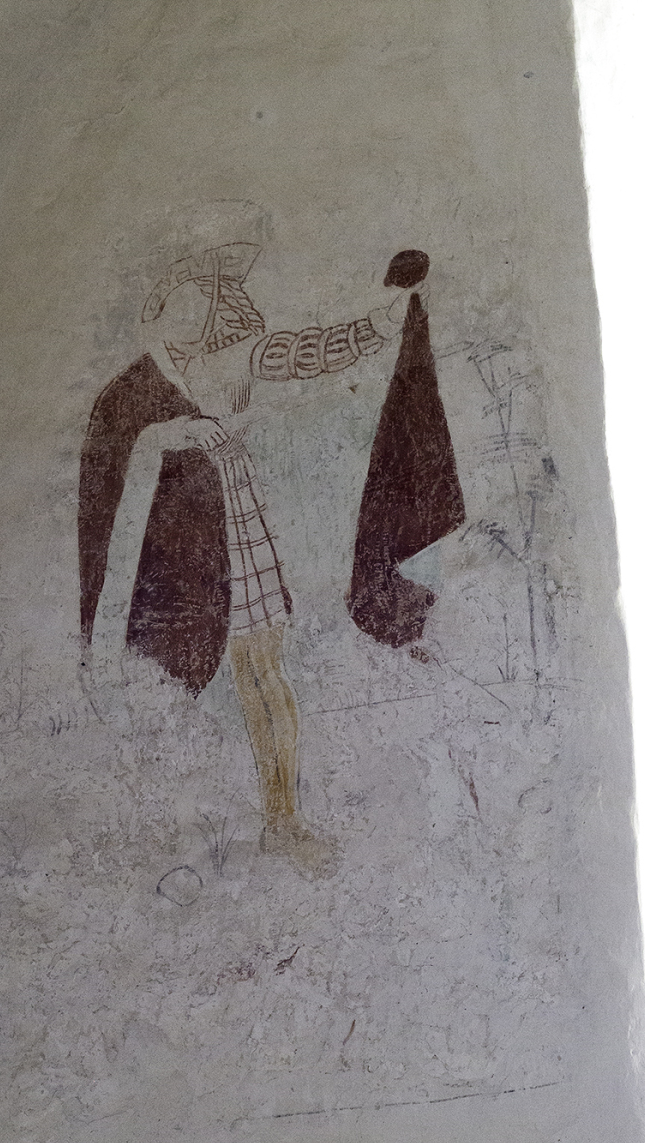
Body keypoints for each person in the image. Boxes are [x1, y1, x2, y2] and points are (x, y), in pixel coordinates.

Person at [79, 242, 419, 854]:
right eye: (179, 296)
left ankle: (282, 818)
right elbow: (117, 449)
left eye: (203, 295)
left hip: (237, 514)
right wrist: (177, 432)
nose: (193, 307)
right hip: (188, 541)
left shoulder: (232, 356)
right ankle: (244, 818)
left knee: (264, 664)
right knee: (245, 669)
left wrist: (382, 320)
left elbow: (306, 350)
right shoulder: (139, 384)